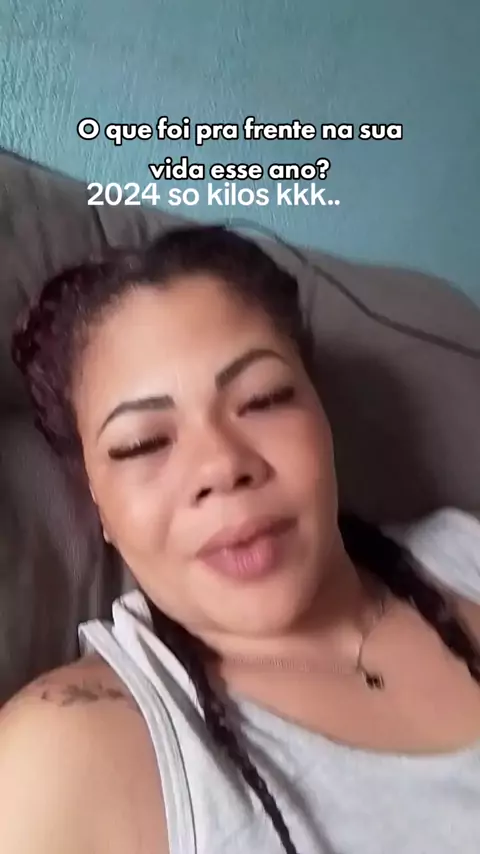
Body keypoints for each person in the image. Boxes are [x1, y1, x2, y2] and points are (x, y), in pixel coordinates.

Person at [2, 225, 480, 854]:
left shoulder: (465, 550)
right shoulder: (63, 757)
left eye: (263, 399)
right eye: (144, 442)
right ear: (101, 509)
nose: (223, 466)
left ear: (322, 416)